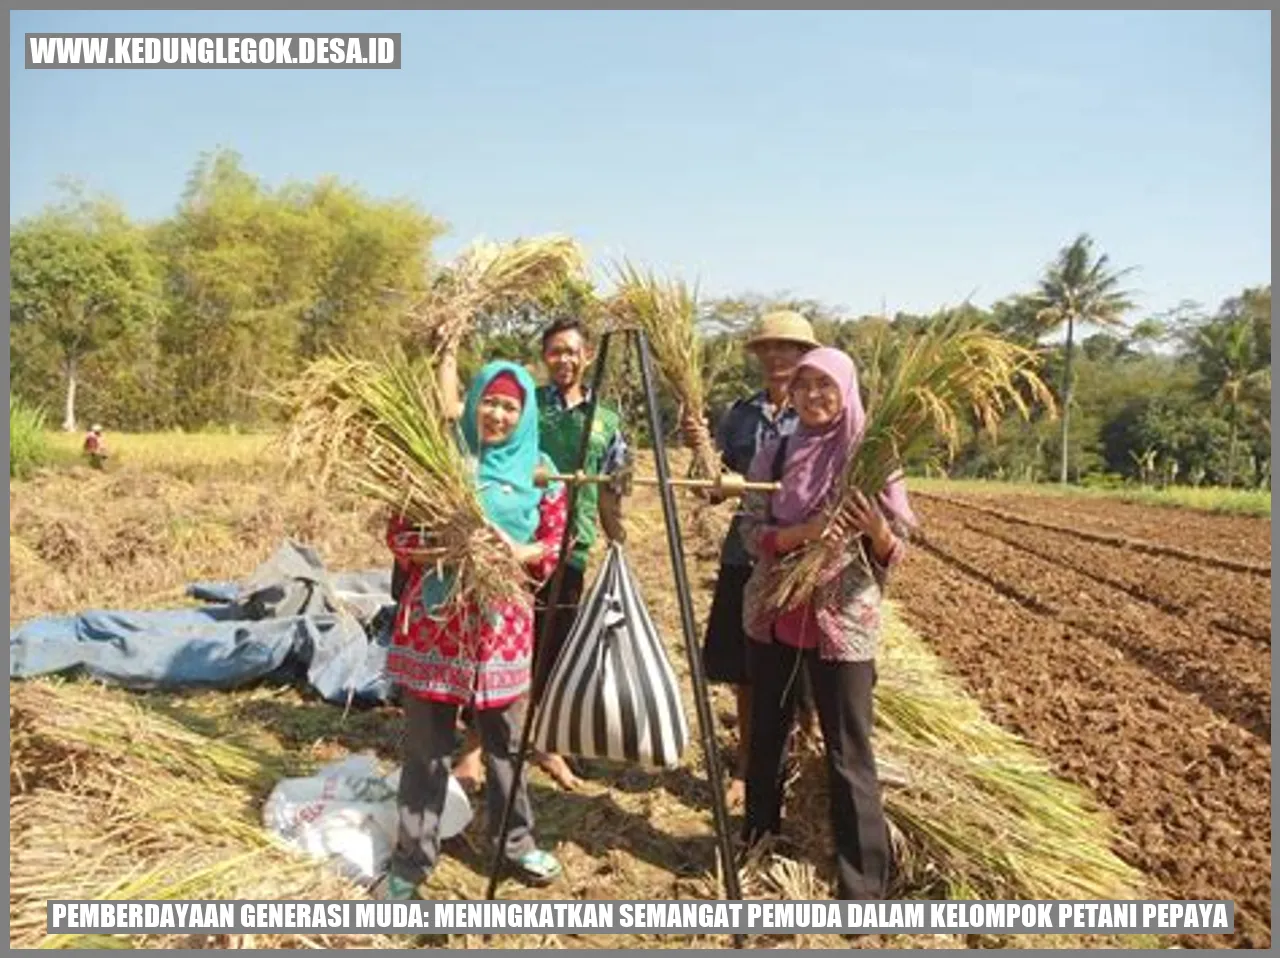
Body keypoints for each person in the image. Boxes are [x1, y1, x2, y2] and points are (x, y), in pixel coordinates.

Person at [378, 360, 566, 900]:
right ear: (473, 401)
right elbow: (400, 535)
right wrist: (446, 549)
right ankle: (412, 861)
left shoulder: (541, 469)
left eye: (510, 407)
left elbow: (554, 544)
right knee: (427, 748)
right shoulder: (439, 461)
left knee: (507, 743)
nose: (498, 414)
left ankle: (515, 842)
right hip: (437, 624)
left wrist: (513, 552)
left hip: (502, 625)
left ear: (524, 415)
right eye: (490, 401)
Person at [738, 346, 915, 901]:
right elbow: (749, 531)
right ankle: (757, 844)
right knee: (767, 737)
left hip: (843, 625)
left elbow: (899, 550)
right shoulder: (776, 451)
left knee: (849, 752)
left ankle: (864, 886)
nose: (813, 395)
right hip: (775, 616)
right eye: (803, 384)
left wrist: (877, 531)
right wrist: (802, 535)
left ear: (847, 390)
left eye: (825, 384)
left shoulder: (872, 457)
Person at [454, 316, 629, 793]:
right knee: (489, 643)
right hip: (508, 540)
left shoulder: (607, 420)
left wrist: (618, 538)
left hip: (570, 544)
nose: (563, 359)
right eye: (555, 351)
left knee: (552, 645)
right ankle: (473, 747)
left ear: (587, 356)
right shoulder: (526, 404)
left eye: (572, 350)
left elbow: (613, 487)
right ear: (544, 357)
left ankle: (544, 742)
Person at [680, 310, 820, 807]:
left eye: (788, 348)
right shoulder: (739, 415)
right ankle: (747, 766)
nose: (777, 356)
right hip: (747, 551)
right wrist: (702, 450)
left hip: (804, 556)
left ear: (805, 356)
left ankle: (802, 759)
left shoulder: (818, 410)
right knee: (747, 669)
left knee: (806, 669)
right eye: (769, 348)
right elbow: (711, 491)